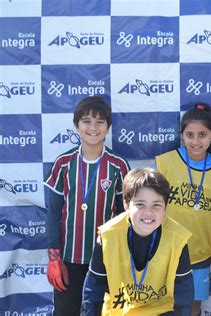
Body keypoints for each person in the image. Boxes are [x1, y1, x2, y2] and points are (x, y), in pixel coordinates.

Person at [44, 96, 130, 315]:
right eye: (87, 121)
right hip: (68, 257)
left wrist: (122, 255)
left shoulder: (118, 165)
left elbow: (124, 215)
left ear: (108, 127)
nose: (93, 127)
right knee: (65, 311)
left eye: (100, 122)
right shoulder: (63, 163)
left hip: (105, 257)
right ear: (76, 125)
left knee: (104, 311)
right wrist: (54, 257)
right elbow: (53, 213)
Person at [155, 102, 211, 315]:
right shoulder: (166, 163)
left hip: (200, 255)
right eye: (190, 135)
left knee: (194, 306)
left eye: (202, 135)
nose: (196, 141)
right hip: (165, 251)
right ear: (182, 135)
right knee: (165, 304)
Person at [82, 168, 194, 315]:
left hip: (160, 312)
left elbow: (183, 294)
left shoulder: (177, 238)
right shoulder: (107, 236)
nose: (148, 212)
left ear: (166, 207)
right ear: (126, 204)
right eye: (140, 204)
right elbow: (93, 290)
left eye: (156, 205)